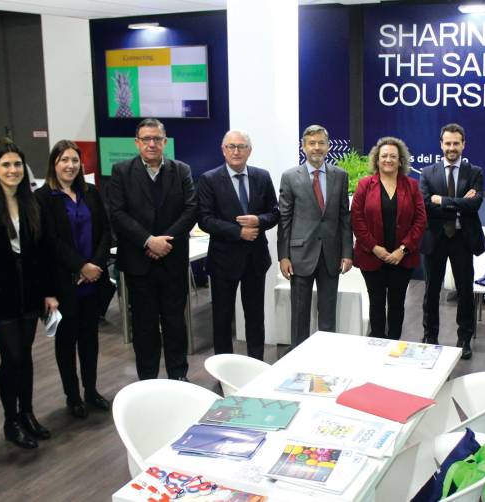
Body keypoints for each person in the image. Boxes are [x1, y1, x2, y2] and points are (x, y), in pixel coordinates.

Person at [0, 143, 57, 450]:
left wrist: (49, 291)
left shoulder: (32, 204)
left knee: (26, 357)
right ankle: (10, 420)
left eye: (17, 164)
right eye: (6, 165)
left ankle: (28, 413)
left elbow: (43, 253)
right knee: (13, 357)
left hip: (29, 291)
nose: (13, 170)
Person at [108, 118, 198, 380]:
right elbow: (117, 213)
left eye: (156, 139)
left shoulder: (181, 170)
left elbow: (191, 209)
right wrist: (148, 240)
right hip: (139, 263)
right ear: (137, 143)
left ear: (165, 142)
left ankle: (178, 376)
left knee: (174, 323)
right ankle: (147, 380)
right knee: (144, 326)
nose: (151, 144)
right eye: (146, 139)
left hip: (172, 260)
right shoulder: (121, 171)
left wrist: (164, 242)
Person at [35, 140, 112, 418]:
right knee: (66, 343)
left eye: (75, 161)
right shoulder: (43, 198)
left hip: (93, 282)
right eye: (64, 160)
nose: (70, 165)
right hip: (64, 283)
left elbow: (105, 232)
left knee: (90, 340)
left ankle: (91, 391)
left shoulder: (90, 192)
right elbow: (49, 242)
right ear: (54, 164)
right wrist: (81, 266)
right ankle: (73, 395)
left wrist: (95, 265)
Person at [198, 130, 279, 360]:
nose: (236, 151)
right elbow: (204, 219)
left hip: (255, 260)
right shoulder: (209, 179)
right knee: (222, 319)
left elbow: (274, 213)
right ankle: (224, 370)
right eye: (231, 146)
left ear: (249, 151)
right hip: (223, 261)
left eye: (241, 146)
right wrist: (238, 232)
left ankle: (256, 364)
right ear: (223, 150)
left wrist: (258, 221)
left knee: (255, 317)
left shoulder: (262, 177)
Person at [277, 124, 353, 347]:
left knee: (328, 315)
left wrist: (348, 252)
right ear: (303, 147)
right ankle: (297, 360)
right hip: (299, 255)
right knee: (299, 315)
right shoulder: (290, 177)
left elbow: (344, 217)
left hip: (331, 254)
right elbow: (285, 219)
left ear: (329, 147)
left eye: (321, 143)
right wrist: (284, 256)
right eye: (312, 143)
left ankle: (326, 357)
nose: (317, 148)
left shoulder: (340, 176)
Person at [419, 123, 485, 360]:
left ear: (463, 144)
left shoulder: (474, 172)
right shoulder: (427, 173)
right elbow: (426, 205)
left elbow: (475, 204)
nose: (452, 147)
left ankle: (464, 339)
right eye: (447, 143)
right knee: (431, 290)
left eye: (456, 143)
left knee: (465, 291)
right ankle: (430, 336)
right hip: (435, 239)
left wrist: (443, 201)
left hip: (462, 239)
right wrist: (458, 203)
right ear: (441, 144)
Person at [351, 136, 426, 340]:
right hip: (371, 257)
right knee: (376, 304)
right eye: (384, 156)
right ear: (377, 159)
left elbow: (420, 220)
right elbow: (357, 219)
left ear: (400, 160)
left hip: (402, 259)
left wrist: (403, 249)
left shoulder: (411, 186)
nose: (388, 160)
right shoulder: (365, 185)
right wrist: (375, 247)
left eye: (393, 156)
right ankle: (376, 344)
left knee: (396, 305)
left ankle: (393, 346)